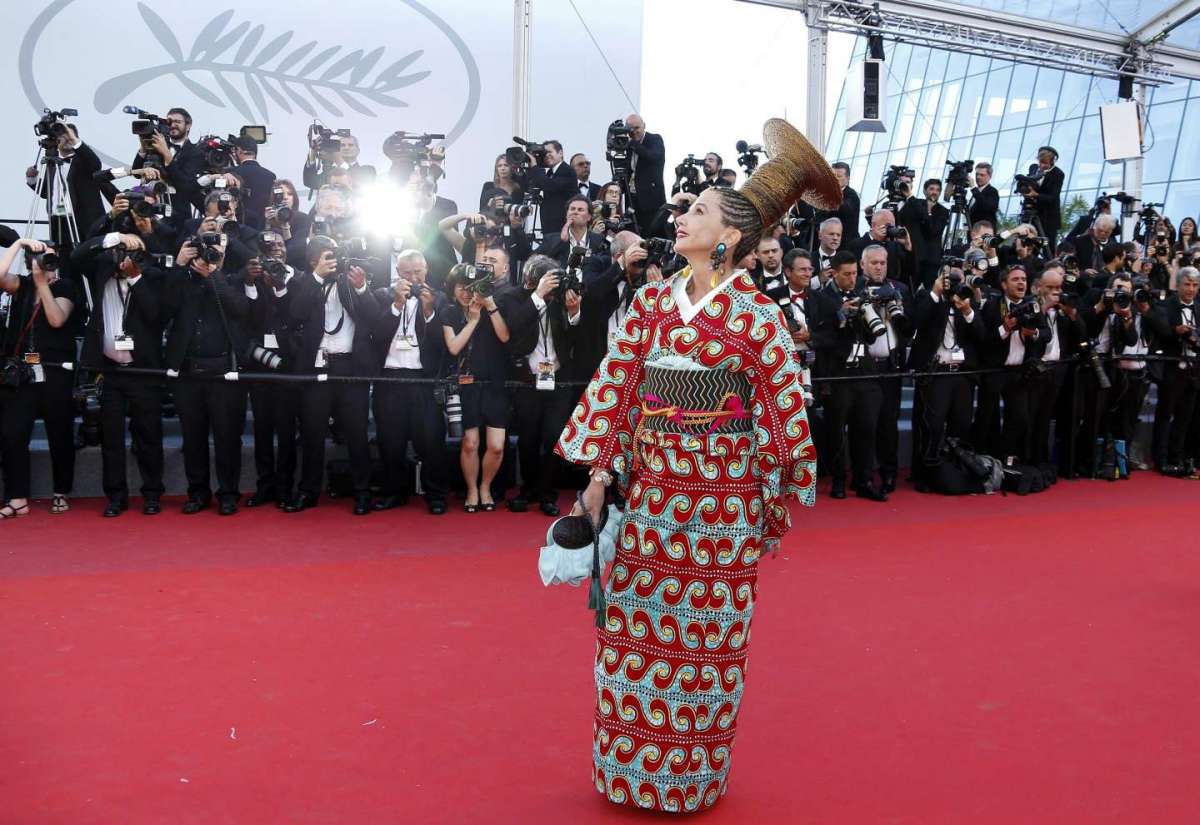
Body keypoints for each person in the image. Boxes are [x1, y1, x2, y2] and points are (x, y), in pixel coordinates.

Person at [554, 118, 829, 812]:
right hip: (653, 500)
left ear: (731, 234)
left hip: (721, 507)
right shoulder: (649, 303)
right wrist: (596, 482)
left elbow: (781, 418)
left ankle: (691, 779)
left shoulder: (757, 318)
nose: (682, 217)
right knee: (630, 634)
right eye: (686, 209)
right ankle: (627, 771)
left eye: (699, 211)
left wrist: (771, 493)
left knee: (707, 644)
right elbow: (617, 395)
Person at [285, 236, 381, 514]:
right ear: (313, 259)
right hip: (317, 367)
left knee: (356, 433)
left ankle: (362, 492)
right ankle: (308, 491)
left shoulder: (353, 281)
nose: (332, 262)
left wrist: (361, 286)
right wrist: (316, 278)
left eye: (334, 256)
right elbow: (296, 313)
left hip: (351, 368)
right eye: (326, 257)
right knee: (313, 432)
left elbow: (374, 317)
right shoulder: (304, 282)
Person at [161, 236, 252, 516]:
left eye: (217, 252)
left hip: (225, 374)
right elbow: (163, 307)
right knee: (193, 437)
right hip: (188, 372)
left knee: (227, 437)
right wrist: (179, 265)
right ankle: (197, 492)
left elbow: (241, 309)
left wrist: (215, 275)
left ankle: (228, 493)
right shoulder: (181, 279)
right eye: (206, 252)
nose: (210, 256)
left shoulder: (234, 280)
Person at [0, 241, 79, 519]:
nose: (44, 262)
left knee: (59, 432)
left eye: (48, 258)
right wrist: (18, 244)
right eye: (38, 258)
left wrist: (42, 283)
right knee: (12, 434)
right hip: (21, 372)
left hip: (56, 370)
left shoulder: (65, 286)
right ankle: (17, 496)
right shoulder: (22, 286)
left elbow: (57, 319)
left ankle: (61, 491)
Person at [370, 250, 449, 515]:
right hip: (390, 378)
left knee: (431, 440)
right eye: (407, 273)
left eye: (418, 272)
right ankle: (393, 492)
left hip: (423, 381)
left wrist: (428, 312)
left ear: (426, 270)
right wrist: (396, 305)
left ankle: (436, 494)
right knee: (390, 440)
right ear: (398, 273)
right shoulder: (383, 295)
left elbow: (442, 344)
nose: (413, 278)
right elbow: (376, 335)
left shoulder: (440, 298)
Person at [506, 254, 581, 516]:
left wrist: (573, 312)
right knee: (528, 438)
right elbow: (513, 326)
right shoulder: (514, 297)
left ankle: (548, 492)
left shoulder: (562, 297)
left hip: (558, 379)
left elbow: (577, 337)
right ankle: (528, 490)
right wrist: (538, 296)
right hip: (528, 378)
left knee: (552, 437)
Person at [812, 251, 888, 500]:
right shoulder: (822, 298)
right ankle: (838, 479)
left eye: (855, 273)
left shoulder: (862, 293)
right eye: (847, 274)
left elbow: (871, 336)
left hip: (865, 373)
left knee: (866, 428)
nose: (852, 278)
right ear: (834, 273)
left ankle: (863, 480)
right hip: (838, 374)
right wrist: (840, 316)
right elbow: (820, 338)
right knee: (836, 431)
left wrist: (866, 316)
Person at [440, 257, 512, 512]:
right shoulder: (449, 311)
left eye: (469, 286)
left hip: (495, 383)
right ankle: (472, 489)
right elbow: (454, 347)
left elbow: (505, 336)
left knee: (496, 445)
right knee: (469, 443)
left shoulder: (494, 306)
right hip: (466, 384)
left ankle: (486, 486)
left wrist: (488, 307)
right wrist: (471, 320)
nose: (465, 292)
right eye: (459, 286)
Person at [907, 264, 982, 491]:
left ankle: (954, 473)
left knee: (960, 425)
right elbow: (915, 322)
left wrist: (967, 310)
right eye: (951, 280)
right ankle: (924, 475)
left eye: (958, 280)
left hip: (961, 374)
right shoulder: (928, 297)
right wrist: (936, 293)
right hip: (935, 373)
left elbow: (981, 334)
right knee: (932, 427)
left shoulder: (966, 302)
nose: (954, 286)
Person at [241, 231, 300, 508]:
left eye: (280, 244)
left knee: (287, 432)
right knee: (263, 431)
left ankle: (286, 488)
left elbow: (298, 316)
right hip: (260, 365)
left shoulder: (299, 278)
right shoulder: (254, 278)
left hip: (289, 365)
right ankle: (265, 486)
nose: (276, 248)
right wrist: (252, 282)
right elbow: (248, 318)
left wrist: (280, 286)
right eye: (269, 245)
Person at [24, 124, 116, 243]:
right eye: (62, 136)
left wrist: (74, 140)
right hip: (59, 221)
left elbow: (96, 164)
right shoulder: (52, 162)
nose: (67, 139)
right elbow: (48, 193)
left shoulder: (84, 159)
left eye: (69, 135)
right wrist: (33, 179)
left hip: (86, 222)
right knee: (62, 258)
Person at [1147, 267, 1200, 474]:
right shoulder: (1165, 306)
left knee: (1186, 416)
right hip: (1171, 368)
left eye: (1195, 285)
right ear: (1177, 285)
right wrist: (1175, 332)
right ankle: (1161, 460)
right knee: (1165, 414)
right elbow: (1161, 331)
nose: (1191, 289)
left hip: (1194, 369)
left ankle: (1178, 457)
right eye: (1187, 284)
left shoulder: (1198, 306)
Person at [899, 178, 950, 289]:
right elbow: (901, 219)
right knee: (909, 289)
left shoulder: (944, 212)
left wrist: (925, 211)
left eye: (937, 190)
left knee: (930, 292)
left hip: (931, 260)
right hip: (914, 256)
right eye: (931, 189)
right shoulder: (915, 204)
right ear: (924, 191)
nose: (934, 192)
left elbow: (932, 229)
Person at [625, 113, 666, 235]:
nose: (634, 132)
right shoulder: (627, 145)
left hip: (651, 201)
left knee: (652, 236)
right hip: (632, 200)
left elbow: (653, 157)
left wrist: (633, 144)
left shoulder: (655, 139)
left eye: (637, 128)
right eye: (630, 129)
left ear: (644, 126)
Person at [526, 141, 575, 235]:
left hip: (562, 228)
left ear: (560, 153)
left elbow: (549, 185)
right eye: (544, 153)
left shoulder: (567, 170)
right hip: (550, 228)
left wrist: (535, 166)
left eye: (550, 152)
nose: (547, 155)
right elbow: (532, 186)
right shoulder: (550, 173)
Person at [264, 178, 312, 244]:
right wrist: (267, 224)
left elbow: (295, 247)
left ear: (294, 197)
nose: (285, 197)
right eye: (280, 195)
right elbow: (266, 244)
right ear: (274, 197)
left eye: (289, 194)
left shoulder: (303, 219)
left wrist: (285, 226)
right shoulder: (268, 217)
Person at [968, 162, 999, 230]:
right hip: (972, 231)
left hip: (984, 233)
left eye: (982, 175)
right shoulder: (976, 192)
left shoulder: (992, 191)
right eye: (977, 174)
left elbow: (986, 206)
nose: (978, 177)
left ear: (990, 176)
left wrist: (973, 188)